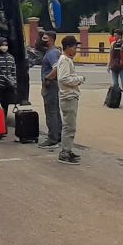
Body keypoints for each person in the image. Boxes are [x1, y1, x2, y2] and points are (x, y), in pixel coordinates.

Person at [56, 36, 87, 165]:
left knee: (70, 126)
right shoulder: (64, 60)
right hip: (68, 96)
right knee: (69, 127)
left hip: (70, 96)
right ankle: (65, 153)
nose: (75, 50)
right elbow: (63, 79)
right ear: (68, 47)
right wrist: (79, 79)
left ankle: (67, 149)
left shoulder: (67, 60)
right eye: (74, 47)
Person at [37, 32, 62, 150]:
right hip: (53, 85)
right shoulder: (53, 52)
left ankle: (52, 138)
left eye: (44, 38)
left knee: (51, 112)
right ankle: (58, 135)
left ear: (51, 39)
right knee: (55, 111)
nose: (42, 40)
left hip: (50, 85)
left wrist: (47, 78)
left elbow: (56, 69)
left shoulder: (52, 53)